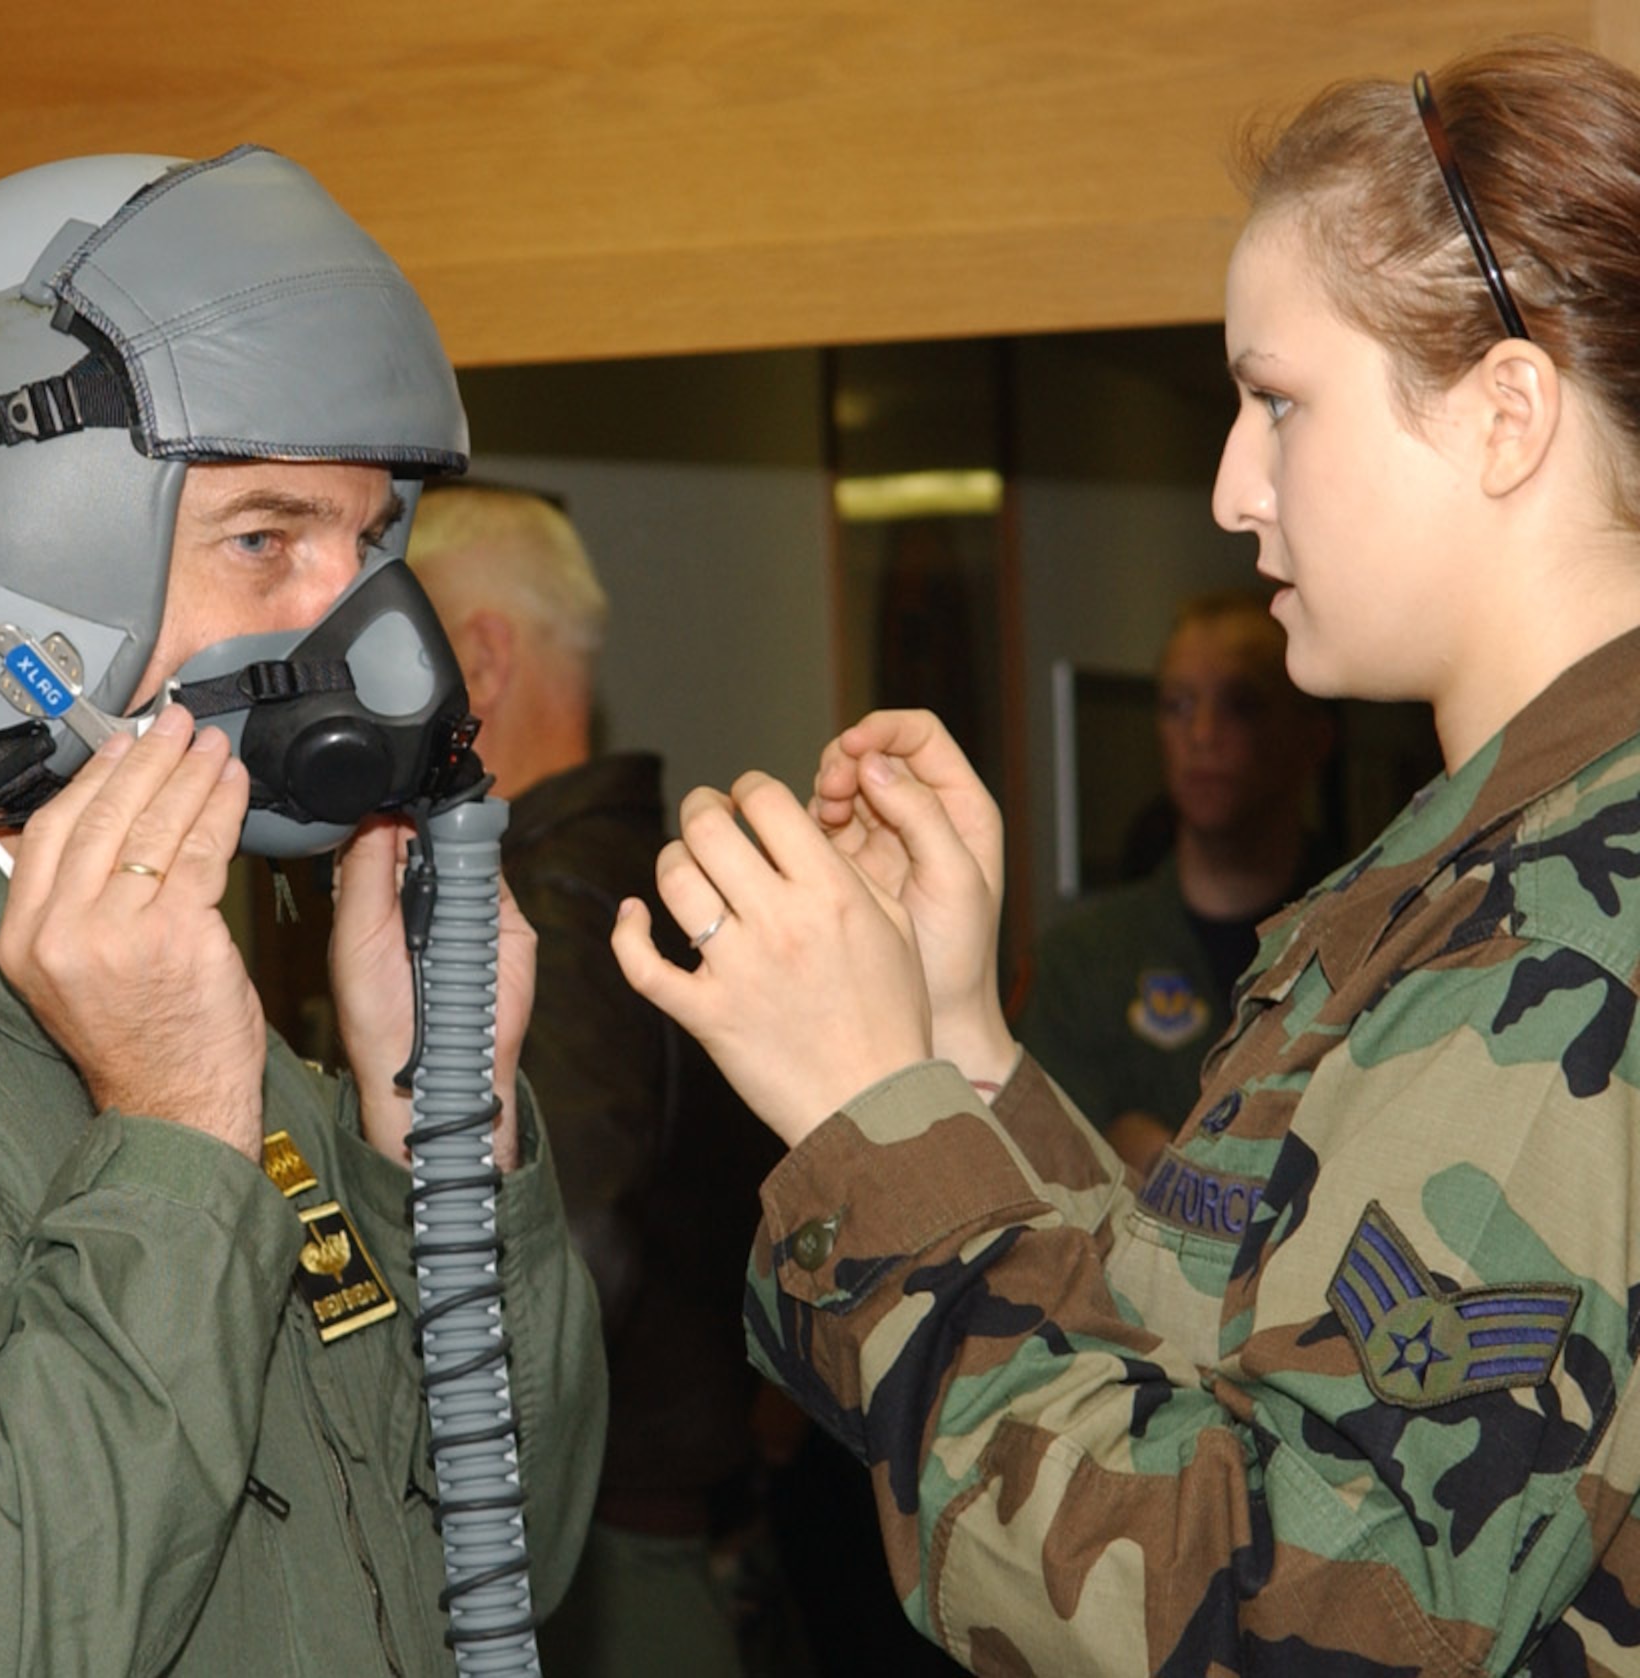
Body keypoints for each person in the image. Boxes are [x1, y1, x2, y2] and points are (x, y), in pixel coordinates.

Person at [613, 36, 1640, 1674]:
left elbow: (1272, 1618)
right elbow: (1231, 1362)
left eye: (1278, 400)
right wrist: (953, 1040)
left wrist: (871, 1121)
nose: (1235, 485)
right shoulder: (1485, 865)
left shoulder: (1576, 932)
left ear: (1508, 412)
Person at [0, 145, 603, 1676]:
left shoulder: (229, 1029)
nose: (368, 633)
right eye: (264, 539)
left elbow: (506, 1558)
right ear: (12, 578)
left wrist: (443, 1128)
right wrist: (165, 1129)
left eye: (369, 544)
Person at [405, 483, 775, 1678]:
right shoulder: (654, 876)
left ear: (477, 656)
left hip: (589, 1566)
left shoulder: (547, 914)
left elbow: (574, 1240)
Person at [1015, 590, 1333, 1167]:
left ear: (1311, 734)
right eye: (1178, 706)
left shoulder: (1368, 934)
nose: (1203, 735)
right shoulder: (1082, 964)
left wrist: (1168, 1167)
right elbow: (1038, 1175)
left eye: (1241, 705)